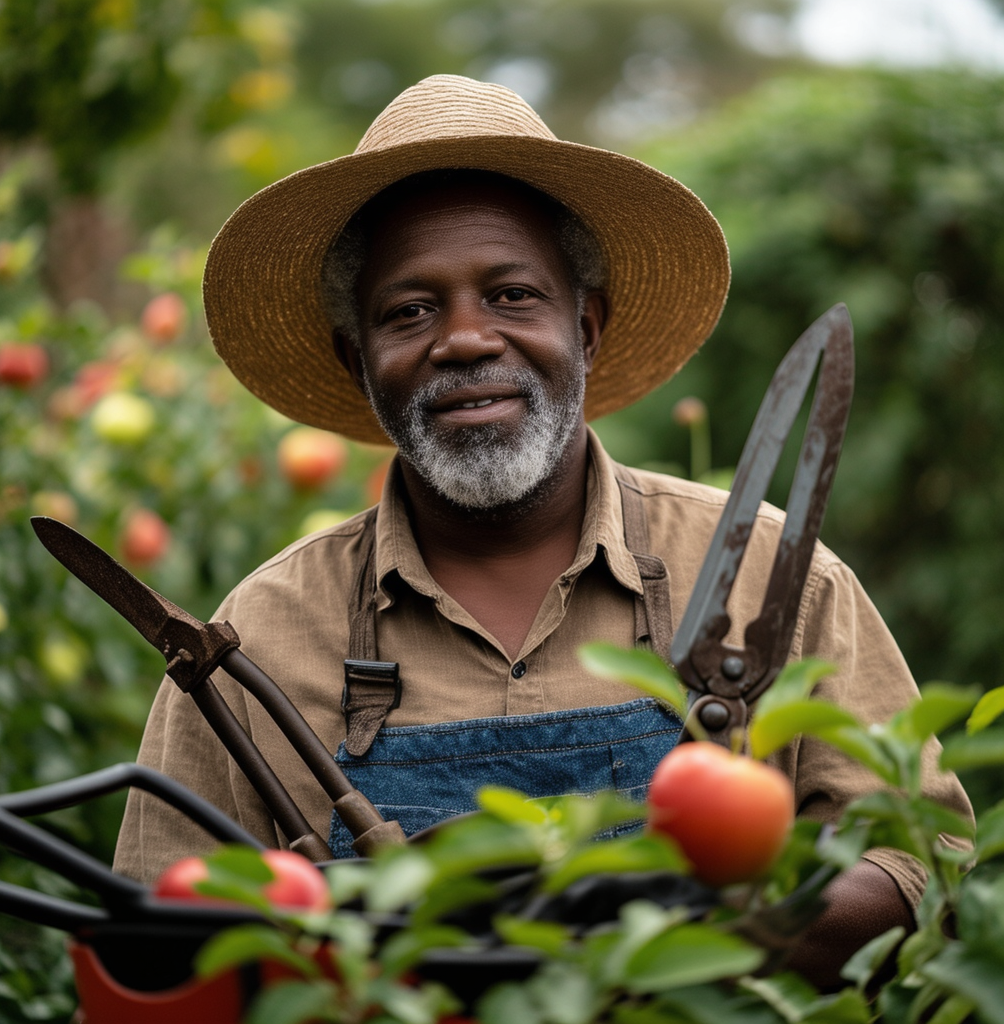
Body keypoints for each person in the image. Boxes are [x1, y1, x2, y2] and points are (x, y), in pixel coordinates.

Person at [114, 75, 971, 987]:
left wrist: (685, 921)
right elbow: (150, 950)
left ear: (587, 325)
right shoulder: (266, 632)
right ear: (355, 359)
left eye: (513, 294)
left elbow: (922, 869)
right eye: (409, 311)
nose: (466, 339)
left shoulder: (764, 572)